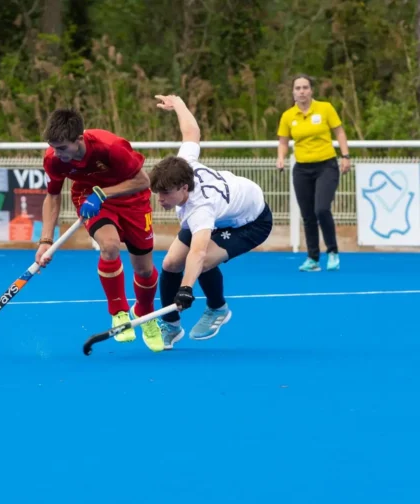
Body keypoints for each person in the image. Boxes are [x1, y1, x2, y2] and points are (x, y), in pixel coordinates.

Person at [149, 94, 273, 349]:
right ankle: (171, 326)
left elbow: (198, 251)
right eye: (157, 193)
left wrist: (186, 288)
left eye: (165, 194)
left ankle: (218, 308)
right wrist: (179, 104)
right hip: (224, 211)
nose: (159, 199)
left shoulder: (200, 209)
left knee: (202, 263)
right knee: (171, 262)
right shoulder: (183, 164)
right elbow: (191, 132)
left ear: (184, 188)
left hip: (251, 222)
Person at [36, 108, 164, 351]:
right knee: (110, 246)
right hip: (89, 198)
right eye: (53, 147)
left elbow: (143, 181)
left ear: (79, 140)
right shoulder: (53, 158)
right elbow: (52, 196)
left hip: (133, 200)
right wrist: (45, 240)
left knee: (145, 270)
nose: (57, 153)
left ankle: (145, 314)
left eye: (62, 147)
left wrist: (104, 194)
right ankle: (119, 312)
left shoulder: (111, 147)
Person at [276, 73, 350, 272]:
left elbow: (340, 132)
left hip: (326, 166)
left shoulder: (325, 108)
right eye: (298, 88)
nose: (302, 91)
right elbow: (283, 142)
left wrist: (345, 156)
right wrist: (281, 157)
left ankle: (332, 252)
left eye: (305, 87)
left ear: (311, 90)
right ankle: (313, 258)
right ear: (293, 92)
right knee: (308, 215)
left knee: (321, 209)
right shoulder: (288, 116)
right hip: (301, 169)